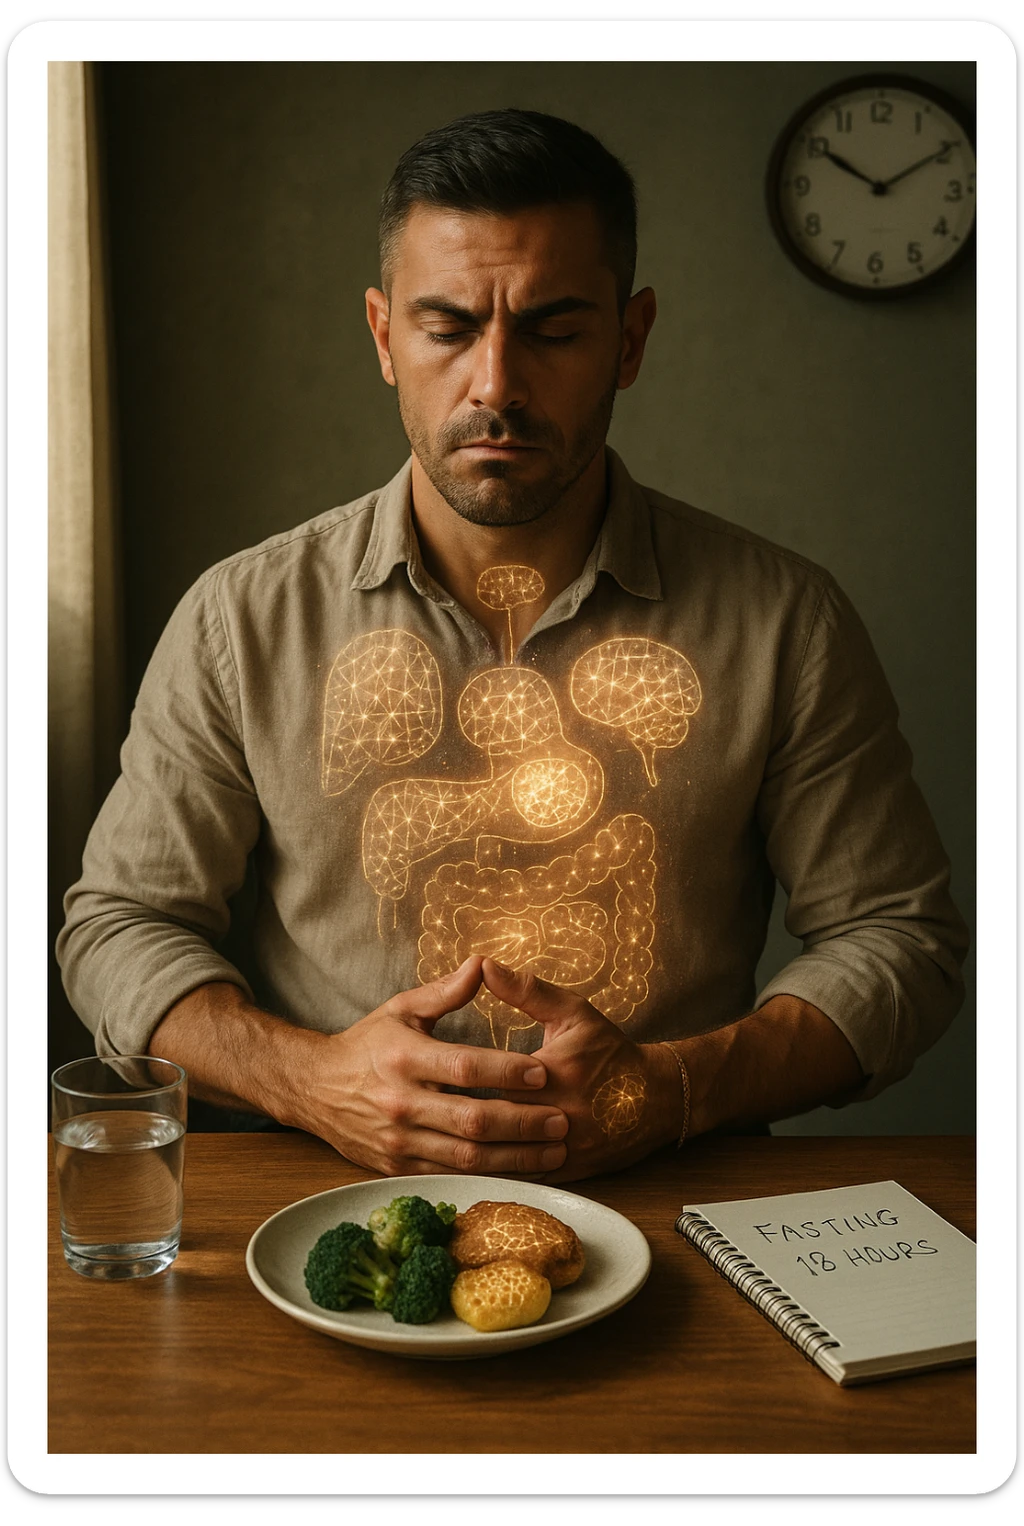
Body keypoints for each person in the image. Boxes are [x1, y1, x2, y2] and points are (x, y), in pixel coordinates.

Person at [58, 109, 967, 1183]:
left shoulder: (784, 621)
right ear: (383, 335)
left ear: (629, 341)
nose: (495, 385)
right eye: (447, 326)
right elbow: (118, 924)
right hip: (319, 1203)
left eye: (552, 329)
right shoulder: (239, 618)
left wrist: (671, 1089)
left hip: (678, 1198)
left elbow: (897, 941)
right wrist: (310, 1080)